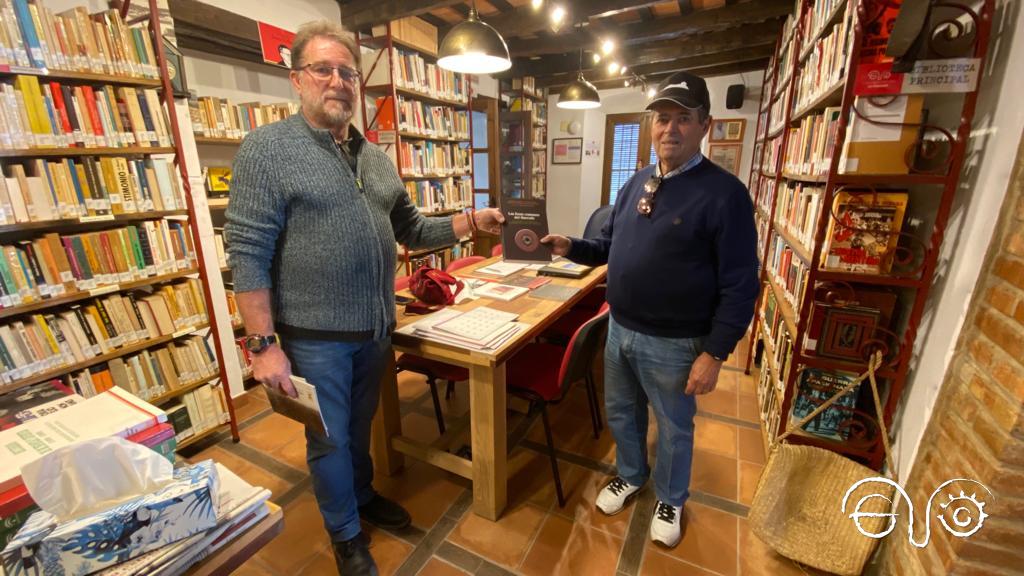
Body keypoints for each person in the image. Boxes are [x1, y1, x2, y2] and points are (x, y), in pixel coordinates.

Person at [225, 20, 504, 576]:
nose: (338, 81)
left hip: (375, 331)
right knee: (328, 440)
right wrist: (263, 345)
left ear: (359, 83)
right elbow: (248, 255)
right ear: (297, 79)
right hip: (314, 338)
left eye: (348, 71)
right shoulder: (266, 151)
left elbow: (414, 230)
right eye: (323, 69)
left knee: (358, 429)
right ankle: (346, 536)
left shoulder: (374, 158)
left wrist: (472, 220)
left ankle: (362, 496)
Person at [541, 71, 759, 549]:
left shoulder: (726, 196)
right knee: (622, 413)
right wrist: (570, 246)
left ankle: (671, 497)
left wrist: (715, 354)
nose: (670, 129)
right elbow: (609, 245)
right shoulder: (636, 181)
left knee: (676, 426)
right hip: (620, 328)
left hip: (678, 341)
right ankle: (631, 474)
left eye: (684, 118)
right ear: (651, 125)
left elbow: (742, 285)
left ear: (706, 124)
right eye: (662, 118)